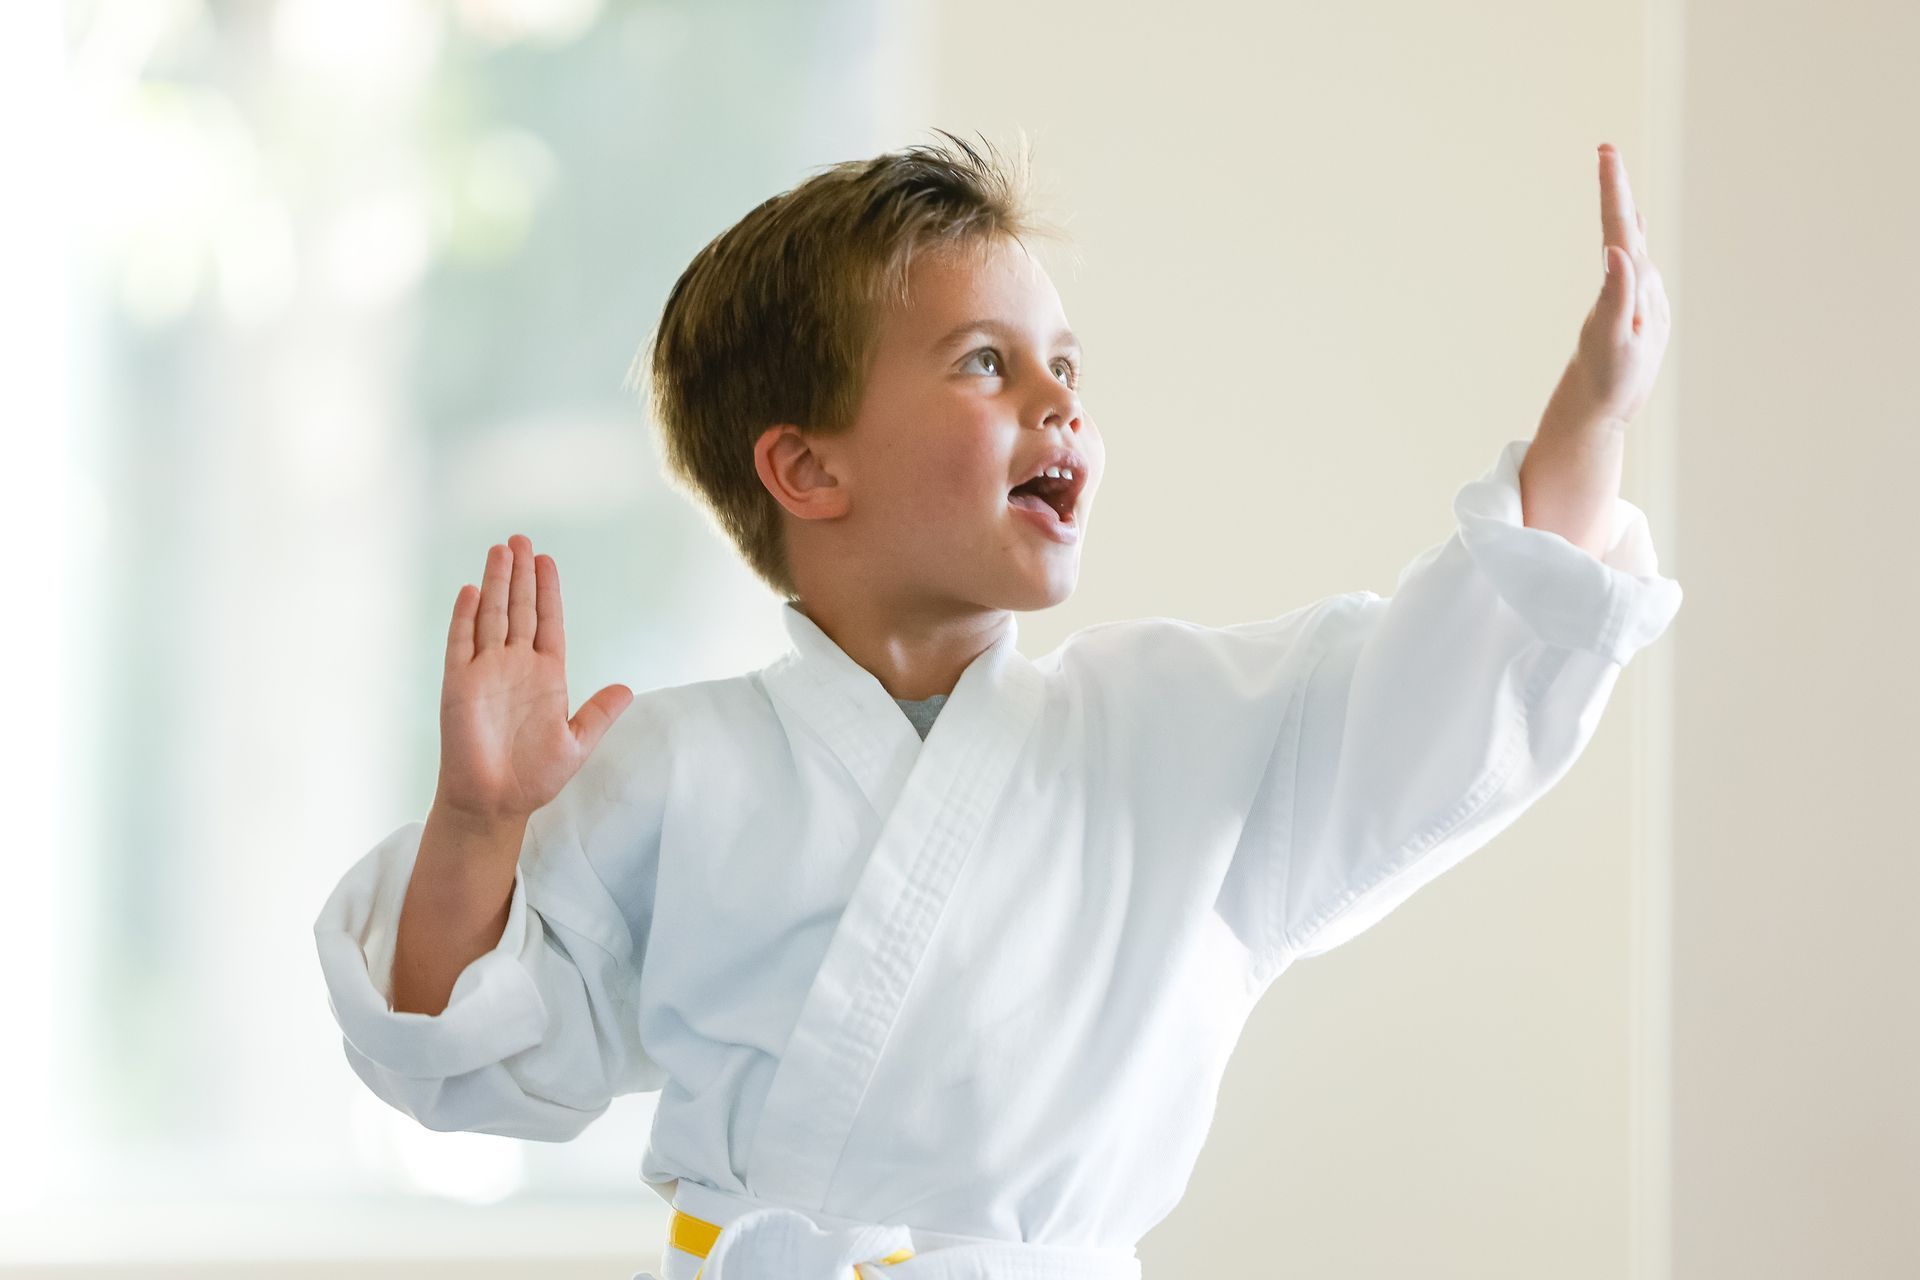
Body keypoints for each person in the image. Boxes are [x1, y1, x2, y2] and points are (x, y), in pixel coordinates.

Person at [313, 129, 1681, 1280]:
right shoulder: (667, 767)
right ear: (804, 467)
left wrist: (1591, 423)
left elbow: (1445, 685)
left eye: (1065, 365)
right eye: (985, 363)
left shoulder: (1175, 736)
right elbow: (462, 1057)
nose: (1058, 403)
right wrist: (483, 826)